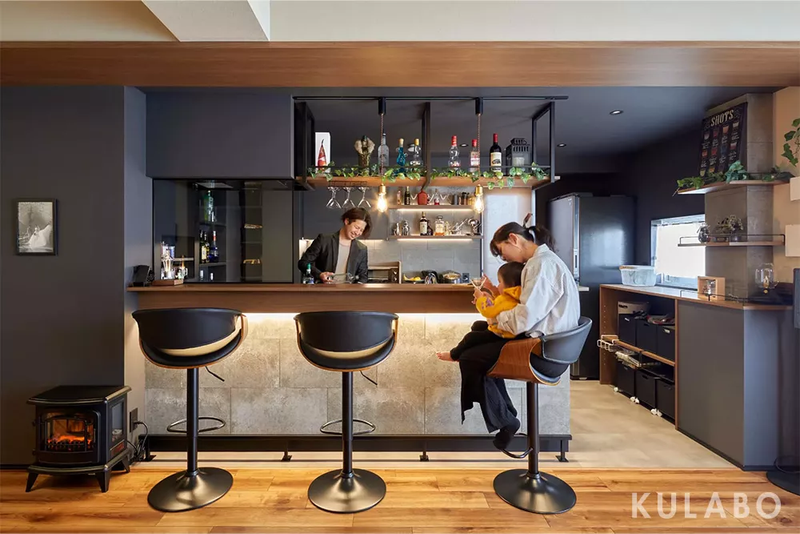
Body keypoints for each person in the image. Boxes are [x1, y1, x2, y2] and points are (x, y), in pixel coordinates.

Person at [437, 217, 580, 451]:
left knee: (471, 357)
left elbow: (522, 320)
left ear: (513, 239)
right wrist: (492, 305)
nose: (505, 260)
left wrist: (491, 314)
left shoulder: (541, 266)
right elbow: (524, 312)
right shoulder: (541, 263)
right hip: (551, 346)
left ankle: (507, 421)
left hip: (544, 352)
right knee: (479, 331)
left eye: (503, 253)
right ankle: (507, 414)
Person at [436, 262, 525, 362]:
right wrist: (491, 289)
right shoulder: (515, 296)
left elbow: (488, 311)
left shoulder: (508, 300)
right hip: (504, 331)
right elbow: (500, 301)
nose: (498, 285)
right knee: (477, 325)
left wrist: (480, 299)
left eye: (500, 282)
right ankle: (466, 352)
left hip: (501, 334)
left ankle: (453, 355)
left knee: (471, 337)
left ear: (509, 285)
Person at [298, 207, 371, 283]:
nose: (358, 232)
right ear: (347, 221)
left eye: (361, 230)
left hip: (348, 290)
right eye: (356, 227)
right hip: (324, 289)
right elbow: (303, 263)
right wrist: (320, 274)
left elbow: (363, 276)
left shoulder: (361, 249)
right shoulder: (324, 240)